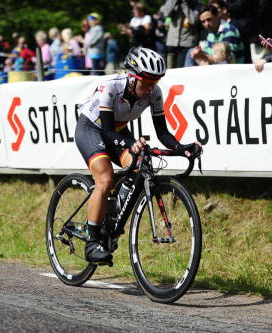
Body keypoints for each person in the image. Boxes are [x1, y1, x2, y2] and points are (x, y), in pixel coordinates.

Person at [74, 47, 203, 263]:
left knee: (138, 167)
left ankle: (113, 214)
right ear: (132, 77)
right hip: (91, 128)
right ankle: (92, 242)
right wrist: (132, 143)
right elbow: (106, 131)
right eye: (145, 83)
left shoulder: (155, 93)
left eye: (155, 83)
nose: (149, 89)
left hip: (117, 129)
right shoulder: (111, 88)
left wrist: (183, 148)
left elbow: (162, 132)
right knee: (104, 179)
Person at [160, 0, 201, 68]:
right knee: (169, 69)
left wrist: (184, 4)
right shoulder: (172, 1)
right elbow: (165, 14)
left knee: (180, 69)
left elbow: (193, 20)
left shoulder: (197, 4)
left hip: (186, 43)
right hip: (171, 42)